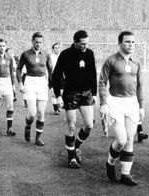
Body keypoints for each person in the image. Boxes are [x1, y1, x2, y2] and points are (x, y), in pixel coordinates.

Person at [99, 31, 144, 186]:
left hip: (131, 103)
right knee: (121, 140)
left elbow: (140, 86)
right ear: (120, 43)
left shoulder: (136, 62)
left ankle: (125, 174)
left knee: (130, 139)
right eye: (127, 42)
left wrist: (141, 106)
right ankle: (110, 162)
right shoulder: (111, 61)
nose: (131, 45)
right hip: (115, 102)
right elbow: (102, 82)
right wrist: (104, 103)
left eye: (133, 42)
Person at [52, 30, 97, 168]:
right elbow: (56, 75)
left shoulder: (89, 53)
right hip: (70, 93)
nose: (85, 46)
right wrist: (58, 95)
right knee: (71, 125)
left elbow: (93, 74)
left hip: (86, 92)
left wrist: (94, 93)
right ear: (75, 42)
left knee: (89, 125)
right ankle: (71, 158)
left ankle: (76, 146)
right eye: (82, 44)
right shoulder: (65, 54)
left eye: (87, 43)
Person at [16, 32, 53, 146]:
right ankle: (27, 126)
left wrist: (51, 86)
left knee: (41, 113)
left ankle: (38, 138)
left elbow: (50, 70)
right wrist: (20, 84)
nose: (38, 44)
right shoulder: (26, 54)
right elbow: (18, 69)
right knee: (32, 113)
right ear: (32, 41)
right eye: (36, 42)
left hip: (42, 82)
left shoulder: (46, 54)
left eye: (40, 42)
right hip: (30, 82)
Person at [49, 42, 62, 115]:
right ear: (53, 49)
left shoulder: (61, 56)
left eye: (58, 48)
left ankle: (58, 105)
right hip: (53, 76)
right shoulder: (50, 57)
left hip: (61, 76)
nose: (57, 49)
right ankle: (55, 109)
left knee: (61, 92)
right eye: (55, 48)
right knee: (53, 92)